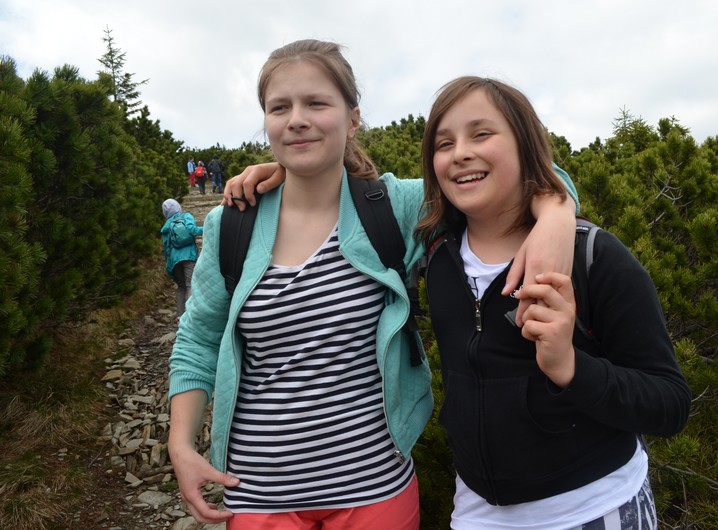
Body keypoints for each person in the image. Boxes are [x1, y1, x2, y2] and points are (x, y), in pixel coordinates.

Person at [169, 39, 578, 529]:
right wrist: (180, 444)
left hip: (376, 489)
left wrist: (556, 213)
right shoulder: (232, 223)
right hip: (258, 493)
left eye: (316, 103)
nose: (296, 119)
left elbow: (522, 176)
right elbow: (197, 340)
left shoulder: (393, 206)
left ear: (353, 118)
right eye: (280, 108)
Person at [414, 76, 692, 529]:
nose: (460, 152)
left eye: (481, 134)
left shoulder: (592, 255)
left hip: (595, 510)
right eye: (444, 144)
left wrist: (570, 366)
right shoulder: (436, 257)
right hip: (476, 514)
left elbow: (670, 403)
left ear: (525, 144)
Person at [161, 199, 203, 321]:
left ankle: (180, 315)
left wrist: (169, 265)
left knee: (181, 287)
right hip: (189, 256)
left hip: (174, 260)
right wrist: (209, 227)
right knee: (190, 285)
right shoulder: (186, 216)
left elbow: (166, 248)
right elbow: (193, 230)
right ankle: (190, 315)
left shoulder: (166, 226)